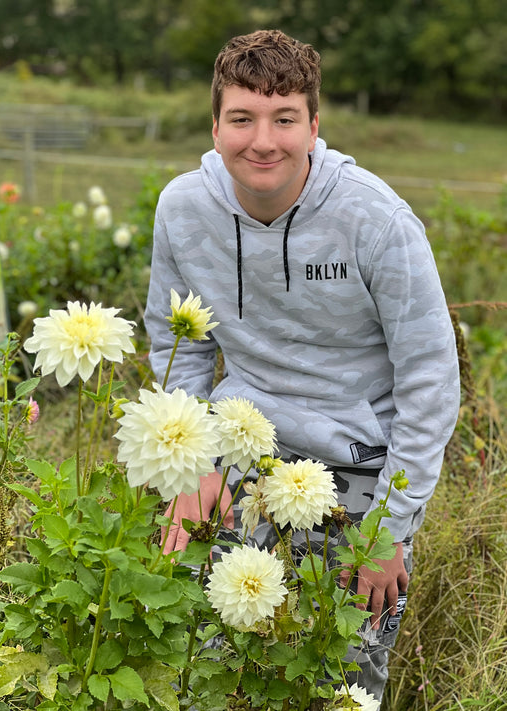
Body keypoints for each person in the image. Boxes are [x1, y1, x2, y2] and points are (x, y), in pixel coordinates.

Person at [144, 29, 460, 702]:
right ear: (215, 125)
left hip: (359, 467)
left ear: (313, 125)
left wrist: (388, 529)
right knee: (195, 654)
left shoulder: (375, 220)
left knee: (343, 684)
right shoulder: (182, 208)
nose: (262, 141)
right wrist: (193, 466)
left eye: (283, 118)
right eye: (242, 118)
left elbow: (430, 380)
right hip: (239, 446)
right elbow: (182, 348)